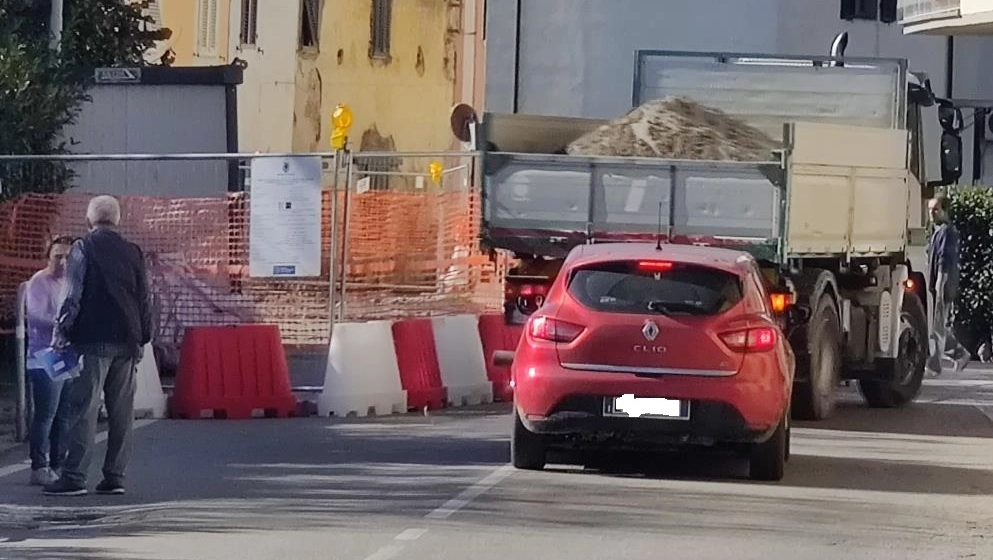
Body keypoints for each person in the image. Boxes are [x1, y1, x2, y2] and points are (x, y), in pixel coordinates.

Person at [42, 195, 153, 497]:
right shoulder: (133, 251)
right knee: (121, 412)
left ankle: (75, 476)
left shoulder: (83, 248)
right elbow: (145, 297)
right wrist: (143, 336)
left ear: (89, 220)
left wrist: (60, 333)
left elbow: (71, 294)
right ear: (117, 220)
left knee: (84, 410)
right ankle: (115, 476)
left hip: (92, 339)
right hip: (127, 340)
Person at [24, 235, 76, 486]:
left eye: (68, 256)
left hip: (65, 355)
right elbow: (36, 317)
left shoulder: (72, 281)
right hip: (44, 355)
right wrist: (66, 326)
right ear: (48, 258)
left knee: (63, 414)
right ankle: (39, 465)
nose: (63, 262)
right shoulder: (39, 282)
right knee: (46, 414)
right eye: (58, 256)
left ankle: (58, 463)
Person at [926, 193, 970, 376]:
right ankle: (961, 354)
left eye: (935, 210)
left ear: (945, 211)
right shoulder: (938, 231)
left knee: (937, 327)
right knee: (938, 325)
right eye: (930, 210)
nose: (932, 214)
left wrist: (940, 284)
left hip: (942, 284)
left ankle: (935, 365)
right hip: (937, 284)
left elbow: (945, 260)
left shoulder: (947, 232)